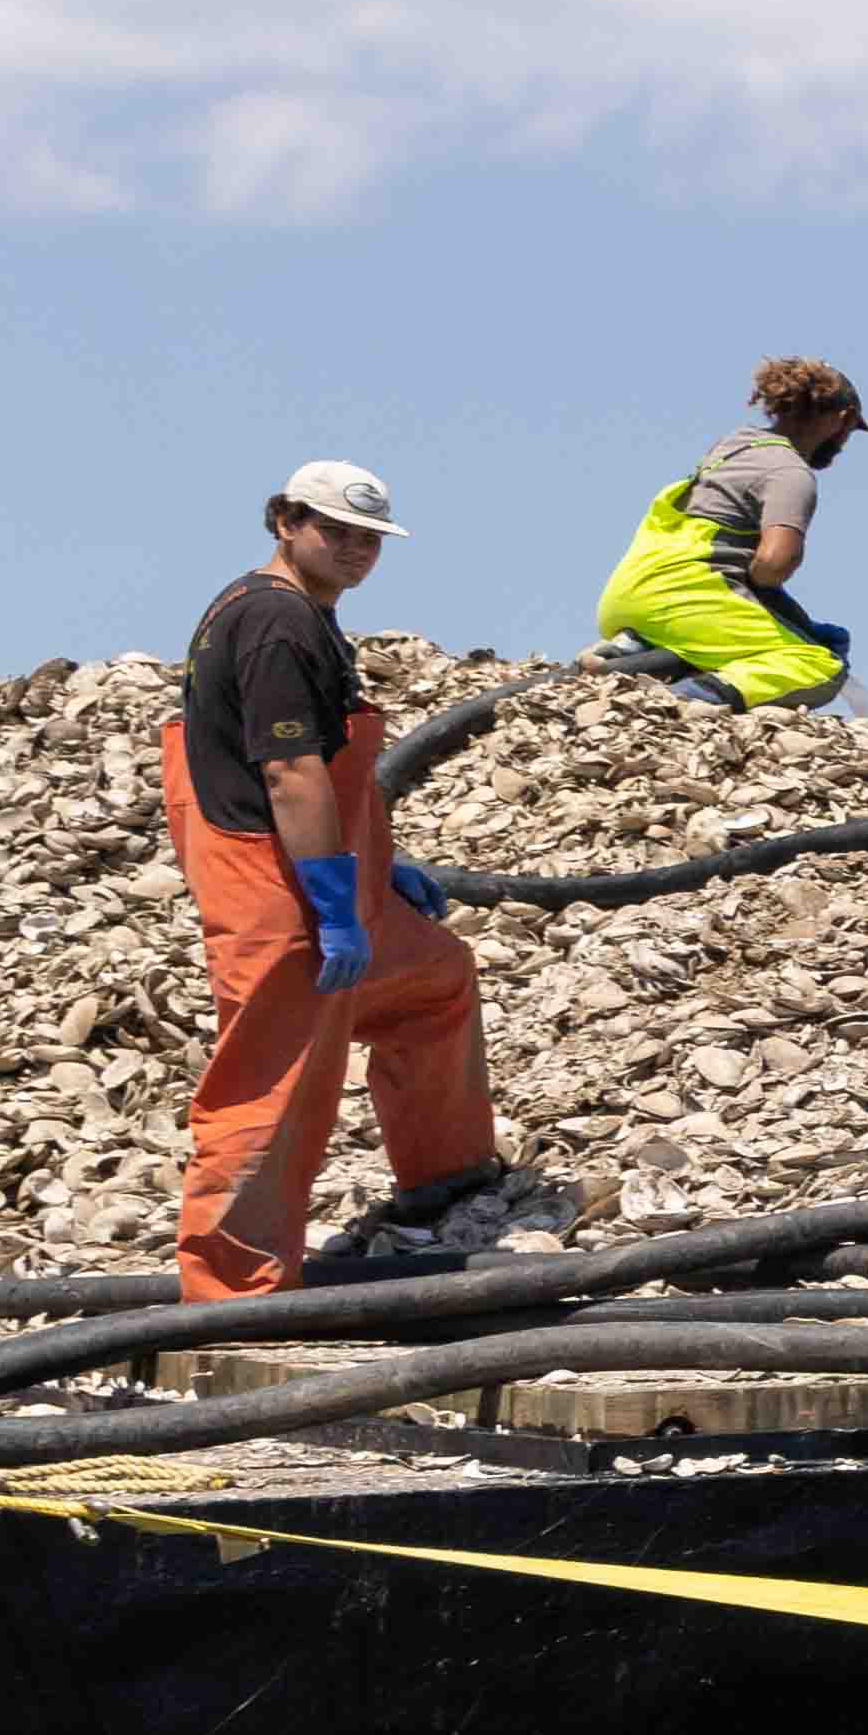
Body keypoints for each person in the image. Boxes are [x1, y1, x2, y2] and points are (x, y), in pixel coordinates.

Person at [170, 461, 535, 1297]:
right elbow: (293, 773)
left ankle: (447, 1184)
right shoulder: (272, 621)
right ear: (285, 522)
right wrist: (335, 906)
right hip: (276, 884)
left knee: (433, 982)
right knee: (273, 1082)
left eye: (369, 538)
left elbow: (331, 766)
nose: (354, 549)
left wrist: (380, 869)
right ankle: (231, 1293)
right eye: (335, 531)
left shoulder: (307, 616)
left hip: (332, 872)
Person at [591, 356, 868, 709]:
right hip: (687, 597)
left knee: (738, 640)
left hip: (629, 594)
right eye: (850, 431)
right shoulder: (789, 472)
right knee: (819, 664)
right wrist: (798, 623)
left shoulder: (733, 445)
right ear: (842, 420)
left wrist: (796, 620)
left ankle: (633, 651)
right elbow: (772, 564)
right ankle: (686, 703)